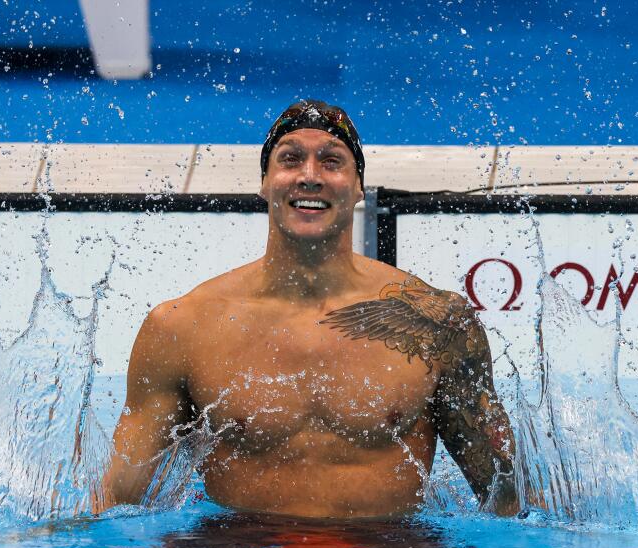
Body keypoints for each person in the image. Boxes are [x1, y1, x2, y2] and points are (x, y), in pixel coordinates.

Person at [96, 99, 517, 520]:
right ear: (265, 182)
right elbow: (116, 502)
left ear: (357, 188)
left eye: (331, 161)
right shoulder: (182, 326)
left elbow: (506, 501)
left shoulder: (437, 324)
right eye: (291, 159)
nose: (310, 176)